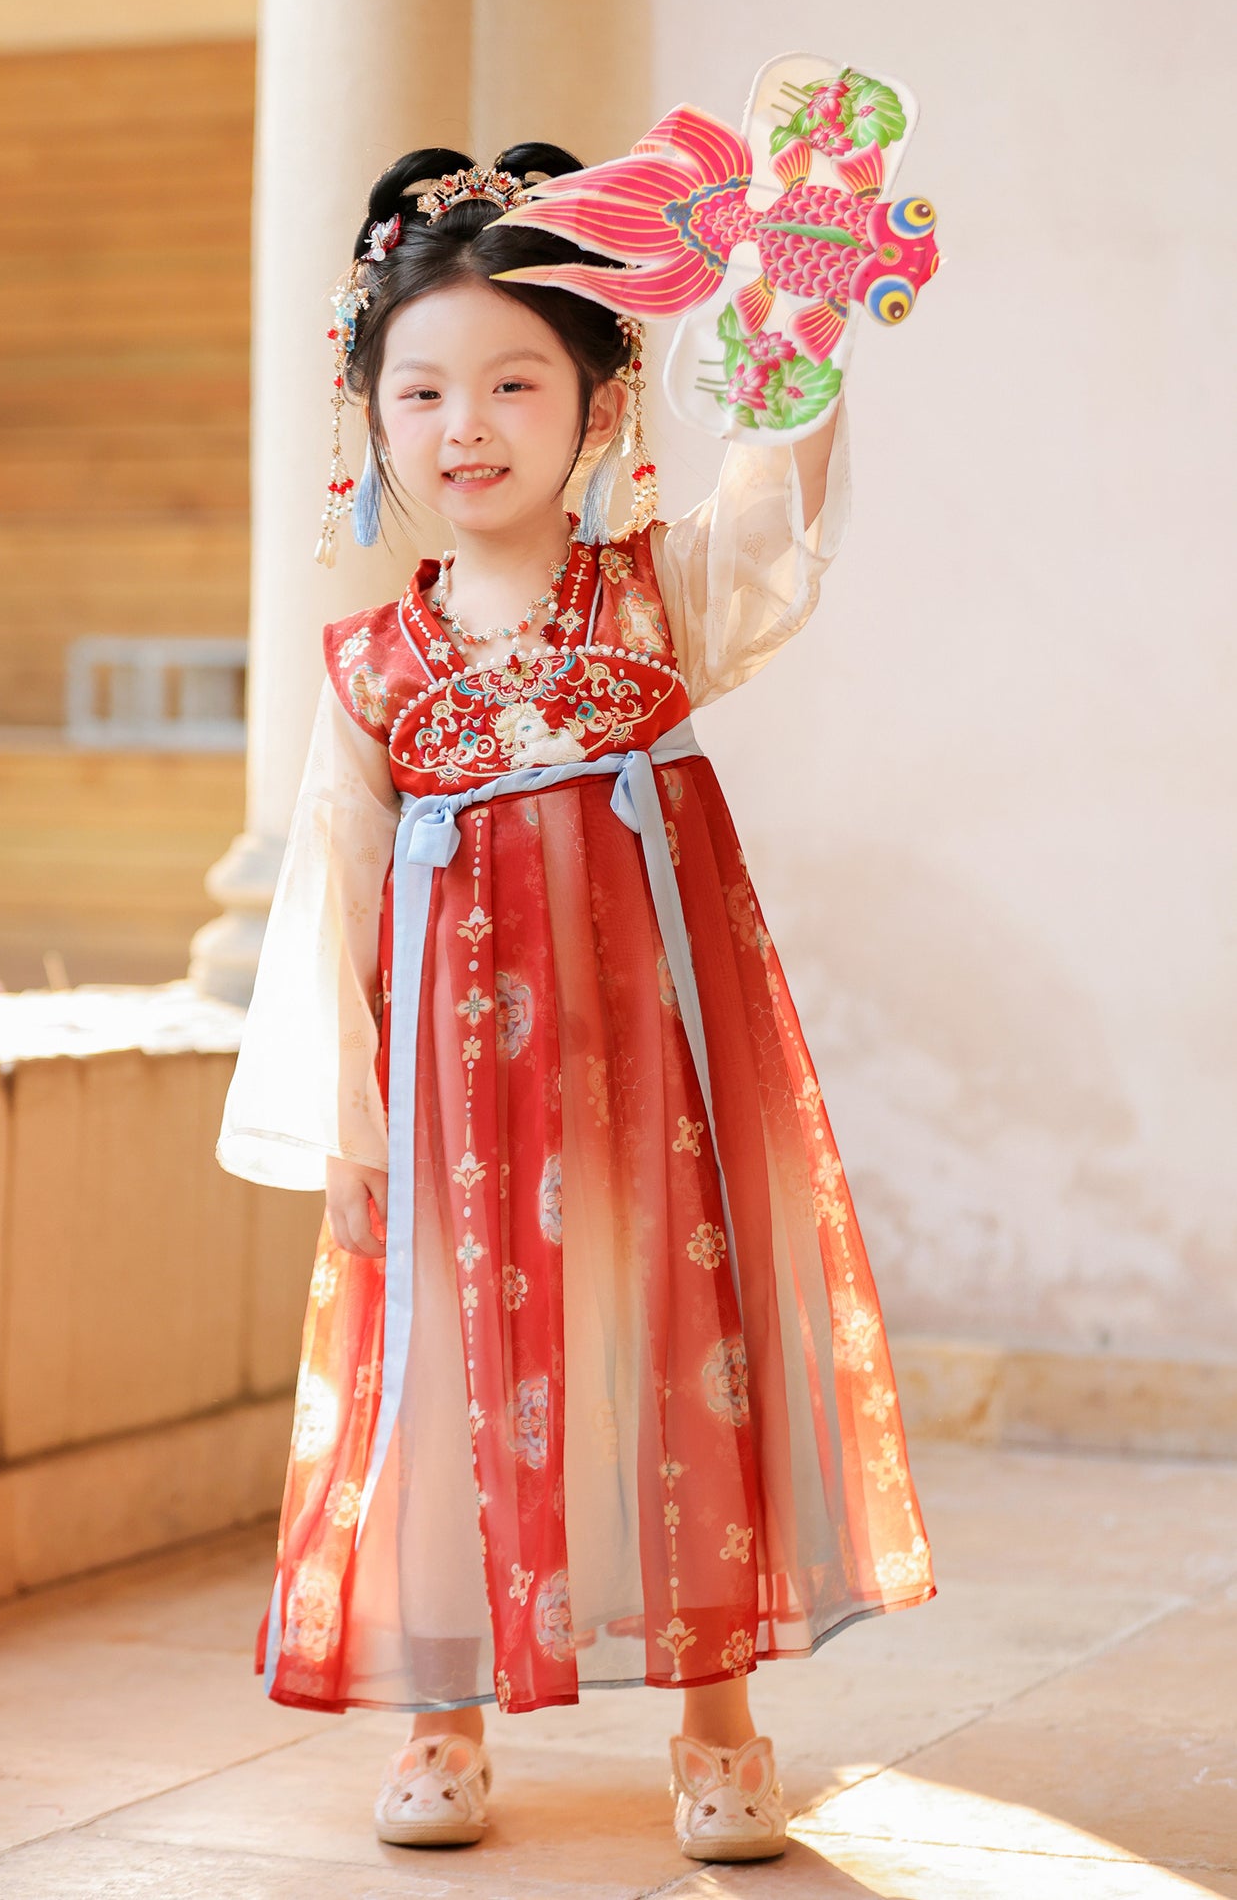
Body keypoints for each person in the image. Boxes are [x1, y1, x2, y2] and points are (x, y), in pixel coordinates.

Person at [216, 140, 935, 1865]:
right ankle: (441, 1716)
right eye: (423, 389)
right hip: (453, 1099)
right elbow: (326, 907)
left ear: (597, 398)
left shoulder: (656, 596)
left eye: (513, 379)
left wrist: (798, 336)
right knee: (440, 1376)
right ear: (370, 421)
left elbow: (777, 521)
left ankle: (717, 1724)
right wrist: (350, 1126)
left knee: (681, 1357)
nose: (465, 422)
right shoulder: (372, 669)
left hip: (654, 1074)